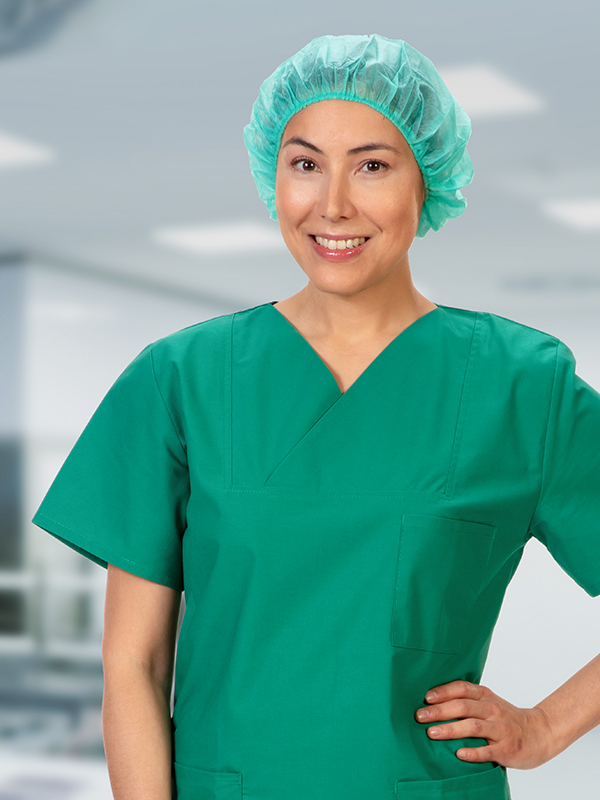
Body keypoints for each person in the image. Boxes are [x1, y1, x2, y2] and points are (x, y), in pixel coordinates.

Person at [32, 34, 600, 800]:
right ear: (275, 176)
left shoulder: (520, 387)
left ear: (426, 179)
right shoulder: (179, 380)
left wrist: (546, 727)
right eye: (305, 164)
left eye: (372, 164)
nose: (332, 204)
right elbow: (135, 666)